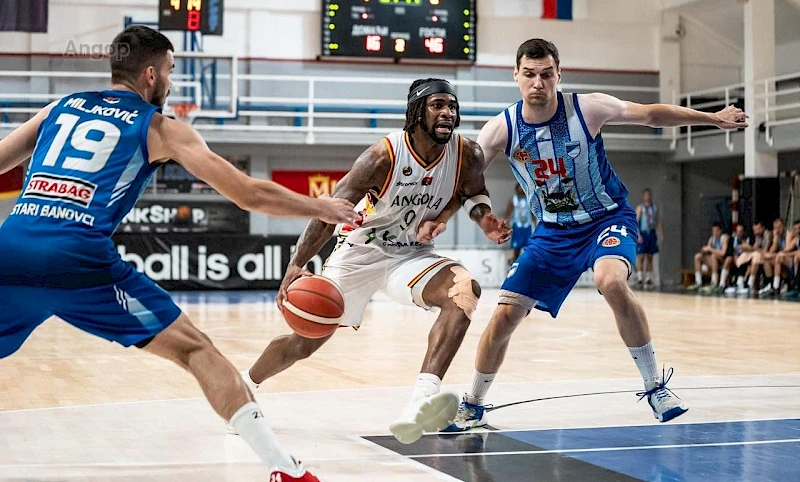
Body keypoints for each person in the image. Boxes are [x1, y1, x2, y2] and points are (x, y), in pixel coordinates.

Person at [0, 26, 359, 482]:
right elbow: (248, 194)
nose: (170, 83)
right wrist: (320, 206)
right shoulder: (159, 127)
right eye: (170, 71)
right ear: (150, 75)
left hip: (9, 248)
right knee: (196, 350)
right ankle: (283, 470)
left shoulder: (59, 108)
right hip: (76, 258)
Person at [431, 38, 747, 432]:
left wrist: (713, 118)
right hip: (551, 233)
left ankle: (656, 388)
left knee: (610, 280)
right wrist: (449, 217)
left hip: (606, 218)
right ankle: (473, 402)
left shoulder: (587, 108)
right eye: (529, 75)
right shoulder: (501, 128)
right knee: (505, 317)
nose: (538, 84)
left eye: (547, 74)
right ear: (516, 76)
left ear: (558, 75)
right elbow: (465, 178)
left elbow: (650, 114)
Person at [240, 78, 511, 445]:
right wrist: (296, 264)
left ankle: (421, 402)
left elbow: (472, 191)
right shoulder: (381, 157)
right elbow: (327, 213)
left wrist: (484, 219)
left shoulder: (468, 154)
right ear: (417, 112)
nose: (448, 112)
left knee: (464, 291)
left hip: (411, 254)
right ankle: (241, 389)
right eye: (438, 105)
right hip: (359, 251)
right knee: (304, 341)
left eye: (452, 105)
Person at [687, 222, 730, 293]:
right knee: (697, 256)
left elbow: (723, 253)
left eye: (717, 231)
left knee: (713, 256)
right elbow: (708, 250)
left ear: (720, 231)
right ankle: (698, 282)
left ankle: (714, 282)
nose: (715, 233)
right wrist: (704, 251)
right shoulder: (711, 239)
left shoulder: (724, 238)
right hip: (713, 261)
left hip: (722, 260)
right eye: (713, 231)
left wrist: (710, 249)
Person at [635, 188, 662, 289]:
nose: (648, 197)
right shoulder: (640, 208)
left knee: (650, 257)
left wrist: (661, 234)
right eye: (646, 195)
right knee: (641, 256)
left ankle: (648, 278)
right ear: (643, 196)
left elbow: (658, 221)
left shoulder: (654, 208)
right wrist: (638, 234)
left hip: (652, 233)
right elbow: (635, 221)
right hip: (643, 233)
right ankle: (640, 278)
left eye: (649, 195)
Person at [754, 218, 789, 296]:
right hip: (781, 257)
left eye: (779, 227)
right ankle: (771, 285)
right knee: (766, 259)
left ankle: (778, 286)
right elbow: (772, 250)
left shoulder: (788, 234)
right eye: (775, 228)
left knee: (777, 258)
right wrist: (776, 238)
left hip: (790, 257)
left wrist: (772, 254)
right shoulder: (776, 236)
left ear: (784, 226)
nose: (777, 230)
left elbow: (786, 251)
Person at [505, 183, 536, 262]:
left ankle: (527, 264)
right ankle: (515, 262)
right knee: (517, 248)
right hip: (517, 226)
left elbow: (533, 214)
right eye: (519, 187)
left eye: (522, 187)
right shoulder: (513, 199)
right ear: (516, 188)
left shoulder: (530, 200)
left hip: (527, 226)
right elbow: (508, 213)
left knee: (528, 248)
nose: (521, 189)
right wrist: (507, 224)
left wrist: (535, 226)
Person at [722, 224, 752, 294]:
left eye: (741, 231)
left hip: (746, 261)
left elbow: (752, 251)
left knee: (750, 261)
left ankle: (745, 284)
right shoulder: (732, 240)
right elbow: (729, 253)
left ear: (744, 232)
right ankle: (722, 284)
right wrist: (735, 257)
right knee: (728, 259)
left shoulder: (749, 239)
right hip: (734, 261)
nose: (739, 233)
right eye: (737, 231)